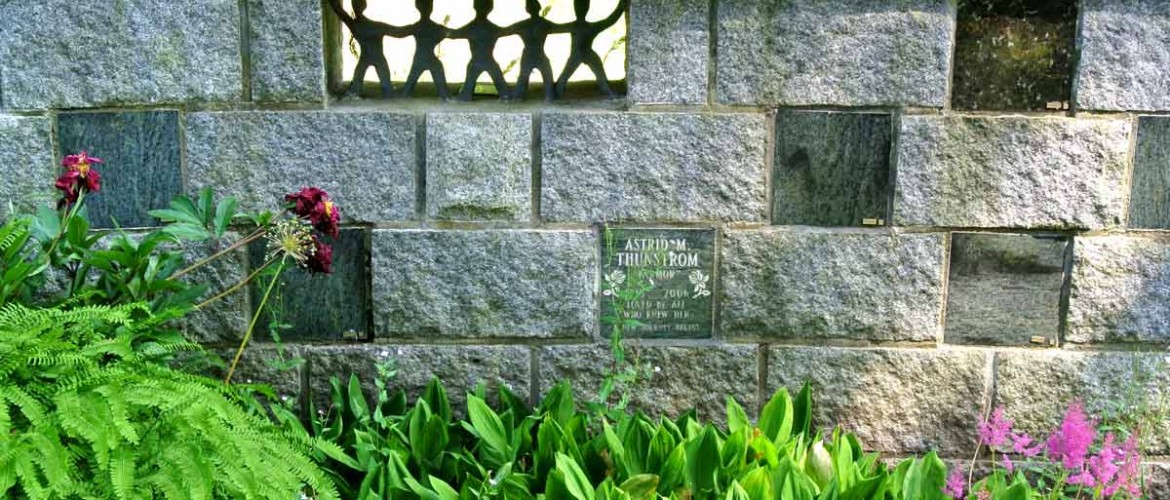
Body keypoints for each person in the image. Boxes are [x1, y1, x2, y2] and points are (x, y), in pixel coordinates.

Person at [328, 0, 405, 97]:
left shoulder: (357, 25)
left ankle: (357, 91)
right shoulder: (374, 26)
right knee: (382, 84)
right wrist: (414, 29)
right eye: (356, 4)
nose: (357, 6)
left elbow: (339, 11)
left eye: (358, 4)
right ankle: (383, 91)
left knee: (363, 82)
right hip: (375, 58)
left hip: (369, 58)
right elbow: (398, 32)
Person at [555, 0, 627, 98]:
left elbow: (554, 28)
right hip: (583, 54)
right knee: (566, 74)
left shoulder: (575, 26)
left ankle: (557, 92)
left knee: (567, 74)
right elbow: (610, 20)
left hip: (580, 54)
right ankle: (607, 91)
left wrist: (620, 7)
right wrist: (620, 7)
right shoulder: (590, 27)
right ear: (587, 9)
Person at [501, 0, 568, 101]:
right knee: (546, 75)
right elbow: (562, 28)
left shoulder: (522, 25)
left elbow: (504, 31)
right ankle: (549, 95)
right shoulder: (544, 23)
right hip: (539, 54)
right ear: (539, 8)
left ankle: (519, 96)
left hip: (528, 54)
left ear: (527, 10)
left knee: (524, 76)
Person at [448, 0, 510, 100]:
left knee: (466, 94)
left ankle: (466, 95)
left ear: (474, 6)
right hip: (488, 63)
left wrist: (441, 30)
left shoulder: (471, 28)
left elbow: (454, 34)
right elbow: (507, 31)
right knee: (505, 92)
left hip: (476, 63)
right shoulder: (492, 28)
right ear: (490, 8)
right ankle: (505, 95)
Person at [400, 0, 452, 99]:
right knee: (438, 74)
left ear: (417, 6)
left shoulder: (415, 27)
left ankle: (405, 93)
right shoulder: (437, 28)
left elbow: (398, 33)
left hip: (419, 60)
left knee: (408, 86)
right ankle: (445, 96)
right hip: (431, 60)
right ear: (431, 8)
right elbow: (454, 34)